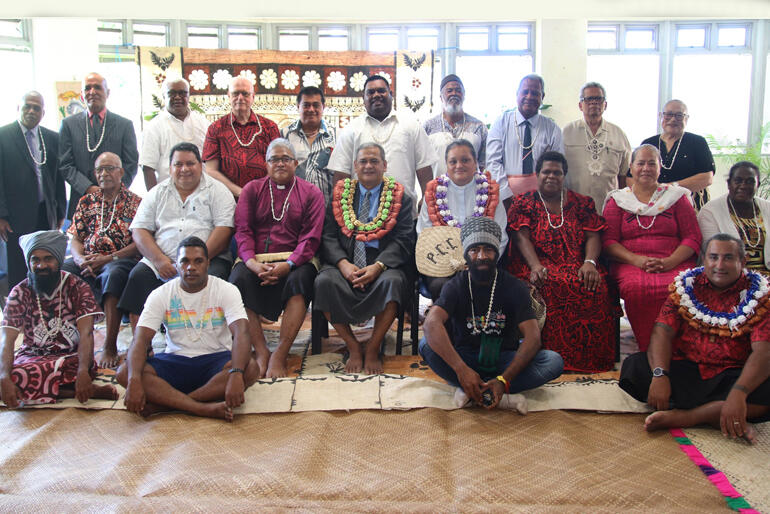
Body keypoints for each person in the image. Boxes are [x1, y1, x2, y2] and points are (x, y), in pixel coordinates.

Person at [619, 234, 770, 444]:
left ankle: (691, 416)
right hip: (689, 370)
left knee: (766, 383)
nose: (719, 265)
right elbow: (662, 331)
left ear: (742, 262)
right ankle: (718, 414)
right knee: (634, 367)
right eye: (713, 257)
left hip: (734, 376)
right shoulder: (685, 286)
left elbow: (763, 351)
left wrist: (739, 392)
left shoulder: (761, 295)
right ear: (703, 260)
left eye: (728, 258)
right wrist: (660, 375)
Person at [420, 216, 564, 409]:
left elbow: (532, 337)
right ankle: (485, 389)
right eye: (474, 250)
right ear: (466, 254)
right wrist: (462, 370)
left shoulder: (514, 286)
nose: (481, 256)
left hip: (504, 360)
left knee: (553, 362)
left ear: (497, 254)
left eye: (488, 249)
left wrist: (504, 379)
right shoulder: (456, 285)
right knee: (426, 346)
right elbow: (431, 324)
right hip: (466, 358)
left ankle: (478, 390)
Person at [117, 237, 259, 421]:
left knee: (251, 368)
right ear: (177, 265)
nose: (191, 267)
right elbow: (140, 340)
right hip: (175, 361)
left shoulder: (226, 289)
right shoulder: (161, 294)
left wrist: (237, 373)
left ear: (208, 263)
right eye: (184, 261)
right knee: (124, 373)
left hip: (215, 362)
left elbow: (242, 333)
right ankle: (201, 408)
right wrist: (134, 380)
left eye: (198, 261)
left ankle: (167, 404)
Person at [506, 151, 618, 372]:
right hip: (536, 263)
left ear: (564, 175)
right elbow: (521, 236)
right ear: (537, 175)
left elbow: (594, 234)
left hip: (577, 263)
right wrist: (535, 265)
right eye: (546, 172)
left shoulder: (582, 203)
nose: (551, 176)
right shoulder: (524, 202)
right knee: (550, 286)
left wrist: (590, 263)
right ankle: (551, 359)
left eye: (557, 172)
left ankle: (593, 360)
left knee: (596, 285)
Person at [315, 143, 415, 374]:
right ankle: (353, 346)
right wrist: (342, 264)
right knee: (323, 283)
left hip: (382, 262)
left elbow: (404, 240)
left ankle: (372, 347)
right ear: (354, 167)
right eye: (363, 161)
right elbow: (328, 236)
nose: (368, 166)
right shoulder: (339, 195)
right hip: (345, 261)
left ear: (384, 165)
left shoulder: (401, 197)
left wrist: (378, 267)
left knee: (393, 283)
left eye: (374, 161)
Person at [229, 139, 324, 378]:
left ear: (295, 163)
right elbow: (242, 230)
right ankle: (261, 351)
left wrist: (288, 264)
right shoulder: (252, 189)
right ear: (266, 164)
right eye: (274, 159)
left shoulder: (311, 192)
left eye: (285, 159)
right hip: (255, 259)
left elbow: (311, 238)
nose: (280, 164)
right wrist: (251, 262)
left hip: (295, 259)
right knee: (238, 280)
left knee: (301, 280)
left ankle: (280, 353)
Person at [117, 142, 236, 328]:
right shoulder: (157, 193)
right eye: (178, 164)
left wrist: (196, 261)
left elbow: (225, 229)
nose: (184, 169)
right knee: (137, 277)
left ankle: (208, 341)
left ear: (201, 165)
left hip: (207, 258)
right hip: (162, 260)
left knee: (216, 277)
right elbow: (140, 230)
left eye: (190, 163)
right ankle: (142, 347)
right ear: (170, 167)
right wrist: (158, 260)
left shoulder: (218, 191)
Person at [0, 231, 118, 407]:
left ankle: (64, 387)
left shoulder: (77, 286)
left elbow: (86, 334)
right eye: (35, 260)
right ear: (28, 262)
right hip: (33, 355)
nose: (41, 265)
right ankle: (73, 393)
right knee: (12, 375)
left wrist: (83, 371)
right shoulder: (20, 292)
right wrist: (3, 376)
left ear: (58, 260)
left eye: (48, 259)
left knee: (62, 371)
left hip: (71, 356)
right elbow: (6, 340)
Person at [603, 144, 701, 351]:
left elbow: (692, 237)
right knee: (637, 288)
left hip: (674, 260)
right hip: (631, 262)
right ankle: (650, 347)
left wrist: (669, 262)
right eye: (640, 163)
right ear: (631, 167)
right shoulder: (618, 200)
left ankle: (681, 348)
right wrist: (636, 260)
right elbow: (609, 242)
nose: (646, 168)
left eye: (651, 163)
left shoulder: (677, 197)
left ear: (660, 167)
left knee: (682, 287)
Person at [62, 152, 141, 368]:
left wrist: (107, 258)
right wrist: (79, 259)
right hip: (87, 259)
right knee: (61, 271)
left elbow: (140, 243)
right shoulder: (87, 201)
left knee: (113, 275)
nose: (104, 173)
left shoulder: (136, 202)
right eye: (99, 170)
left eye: (109, 168)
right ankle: (62, 340)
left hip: (120, 259)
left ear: (121, 172)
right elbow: (76, 238)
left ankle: (110, 345)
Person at [328, 75, 435, 217]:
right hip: (360, 215)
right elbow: (341, 174)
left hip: (404, 214)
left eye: (381, 91)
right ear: (363, 99)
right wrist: (342, 209)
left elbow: (424, 167)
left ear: (391, 95)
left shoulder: (411, 126)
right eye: (370, 92)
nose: (376, 95)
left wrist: (426, 198)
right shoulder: (351, 130)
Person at [417, 139, 506, 300]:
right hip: (441, 264)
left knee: (487, 283)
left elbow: (501, 234)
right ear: (446, 164)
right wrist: (449, 262)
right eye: (453, 161)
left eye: (465, 160)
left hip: (483, 262)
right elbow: (424, 234)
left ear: (475, 163)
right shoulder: (433, 191)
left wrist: (479, 260)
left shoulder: (490, 191)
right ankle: (448, 325)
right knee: (440, 286)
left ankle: (480, 325)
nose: (459, 165)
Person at [0, 91, 65, 289]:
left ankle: (44, 309)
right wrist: (1, 215)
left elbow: (58, 177)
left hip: (45, 212)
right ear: (18, 108)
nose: (31, 111)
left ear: (43, 113)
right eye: (27, 106)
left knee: (46, 266)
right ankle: (18, 313)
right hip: (14, 217)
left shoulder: (52, 138)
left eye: (36, 108)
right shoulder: (3, 136)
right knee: (19, 267)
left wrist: (60, 212)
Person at [59, 72, 138, 219]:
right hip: (81, 202)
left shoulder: (124, 125)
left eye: (97, 87)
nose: (92, 92)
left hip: (116, 203)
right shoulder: (68, 125)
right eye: (87, 88)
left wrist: (114, 191)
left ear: (107, 93)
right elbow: (65, 165)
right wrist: (88, 188)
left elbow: (131, 163)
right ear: (82, 95)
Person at [486, 74, 563, 205]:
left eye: (535, 93)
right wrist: (506, 195)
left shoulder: (552, 129)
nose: (529, 97)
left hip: (542, 200)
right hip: (505, 199)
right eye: (525, 92)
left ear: (542, 97)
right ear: (517, 94)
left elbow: (557, 167)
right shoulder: (501, 122)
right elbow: (493, 162)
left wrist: (546, 196)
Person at [203, 76, 280, 199]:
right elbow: (211, 170)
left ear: (253, 97)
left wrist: (259, 191)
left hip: (265, 196)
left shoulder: (270, 127)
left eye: (245, 94)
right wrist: (241, 192)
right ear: (228, 96)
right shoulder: (215, 128)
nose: (240, 98)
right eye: (235, 94)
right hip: (226, 198)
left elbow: (278, 164)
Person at [562, 82, 631, 212]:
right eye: (588, 99)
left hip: (609, 209)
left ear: (605, 104)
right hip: (573, 209)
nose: (594, 103)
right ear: (580, 105)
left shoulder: (619, 134)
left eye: (598, 99)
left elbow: (623, 176)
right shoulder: (567, 132)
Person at [640, 99, 715, 210]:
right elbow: (632, 176)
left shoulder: (697, 142)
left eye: (679, 115)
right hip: (654, 205)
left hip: (690, 205)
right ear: (661, 116)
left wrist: (670, 188)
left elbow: (707, 178)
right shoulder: (649, 143)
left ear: (686, 118)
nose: (673, 119)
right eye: (668, 114)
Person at [698, 161, 770, 274]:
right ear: (728, 183)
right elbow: (713, 254)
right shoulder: (710, 212)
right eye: (738, 181)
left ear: (758, 185)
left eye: (750, 181)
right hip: (729, 276)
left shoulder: (767, 208)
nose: (743, 186)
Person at [140, 77, 209, 190]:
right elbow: (148, 168)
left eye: (182, 93)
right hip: (169, 193)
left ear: (188, 96)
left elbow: (211, 161)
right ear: (164, 96)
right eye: (172, 93)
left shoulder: (203, 123)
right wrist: (154, 200)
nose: (177, 97)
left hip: (202, 192)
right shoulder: (153, 127)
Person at [423, 74, 488, 178]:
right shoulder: (428, 127)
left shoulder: (479, 127)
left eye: (458, 90)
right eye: (449, 91)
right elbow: (423, 165)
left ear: (464, 95)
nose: (454, 94)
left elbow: (483, 164)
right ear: (441, 97)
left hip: (471, 191)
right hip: (438, 191)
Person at [281, 86, 336, 206]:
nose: (311, 109)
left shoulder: (336, 135)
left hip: (327, 211)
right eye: (306, 105)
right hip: (292, 208)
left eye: (316, 105)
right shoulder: (285, 135)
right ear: (298, 107)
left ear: (323, 107)